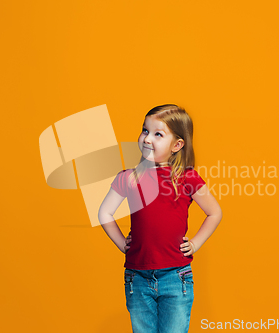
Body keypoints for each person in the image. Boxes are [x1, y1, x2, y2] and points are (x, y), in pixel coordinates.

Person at [98, 104, 222, 333]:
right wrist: (121, 245)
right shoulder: (129, 178)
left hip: (176, 276)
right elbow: (104, 213)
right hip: (137, 277)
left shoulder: (187, 177)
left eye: (158, 134)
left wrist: (195, 243)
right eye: (145, 130)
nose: (147, 139)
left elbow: (214, 212)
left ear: (177, 145)